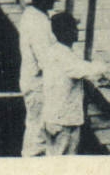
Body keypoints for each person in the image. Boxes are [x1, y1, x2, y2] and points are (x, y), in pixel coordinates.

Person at [41, 12, 103, 155]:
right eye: (73, 28)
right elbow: (85, 70)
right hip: (64, 122)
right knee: (63, 161)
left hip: (54, 117)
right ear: (65, 32)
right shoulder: (64, 56)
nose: (77, 31)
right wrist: (103, 66)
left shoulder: (55, 51)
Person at [17, 0, 59, 158]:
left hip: (32, 80)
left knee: (36, 126)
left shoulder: (34, 16)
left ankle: (31, 158)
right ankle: (32, 160)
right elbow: (44, 59)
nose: (54, 1)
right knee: (38, 129)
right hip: (37, 84)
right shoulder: (37, 23)